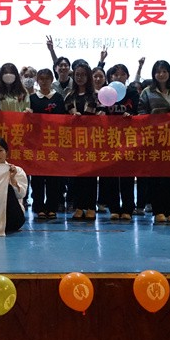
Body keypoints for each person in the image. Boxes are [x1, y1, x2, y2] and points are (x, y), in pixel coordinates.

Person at [138, 61, 170, 223]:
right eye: (158, 72)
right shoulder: (147, 92)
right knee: (156, 177)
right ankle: (158, 210)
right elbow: (141, 113)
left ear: (169, 73)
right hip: (155, 140)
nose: (161, 74)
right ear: (154, 74)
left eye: (164, 71)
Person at [97, 63, 141, 221]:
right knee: (111, 175)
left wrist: (131, 115)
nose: (118, 77)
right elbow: (100, 109)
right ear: (110, 77)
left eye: (122, 74)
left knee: (128, 174)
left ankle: (128, 208)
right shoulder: (105, 92)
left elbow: (138, 112)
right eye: (115, 75)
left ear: (127, 76)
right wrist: (101, 114)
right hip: (110, 139)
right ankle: (114, 208)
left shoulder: (132, 93)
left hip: (128, 139)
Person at [28, 68, 66, 219]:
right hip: (36, 144)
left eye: (47, 78)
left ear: (52, 80)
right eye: (41, 79)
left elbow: (63, 119)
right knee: (37, 178)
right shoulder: (32, 98)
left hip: (54, 144)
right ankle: (38, 206)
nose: (44, 81)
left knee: (53, 178)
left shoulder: (58, 98)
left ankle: (52, 207)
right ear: (37, 81)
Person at [64, 61, 98, 221]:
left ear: (88, 76)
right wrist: (72, 118)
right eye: (77, 74)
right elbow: (63, 118)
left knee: (90, 176)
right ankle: (78, 207)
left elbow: (103, 115)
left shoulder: (97, 95)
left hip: (92, 141)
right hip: (74, 142)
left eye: (83, 74)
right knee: (76, 176)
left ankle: (90, 207)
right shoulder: (69, 96)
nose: (80, 77)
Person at [0, 136, 28, 234]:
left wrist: (12, 179)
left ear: (6, 152)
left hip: (12, 218)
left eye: (0, 150)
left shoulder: (17, 170)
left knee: (7, 188)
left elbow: (21, 195)